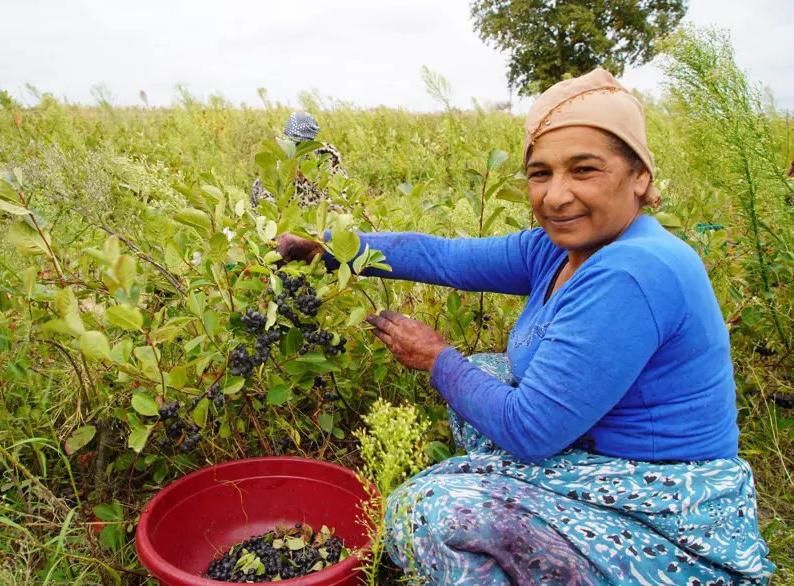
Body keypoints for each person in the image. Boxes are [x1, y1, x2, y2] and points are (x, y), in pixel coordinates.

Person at [276, 69, 775, 585]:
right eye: (541, 173)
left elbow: (530, 431)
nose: (556, 196)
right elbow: (443, 257)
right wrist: (327, 248)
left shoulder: (632, 270)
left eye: (584, 170)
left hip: (664, 508)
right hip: (600, 459)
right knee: (489, 371)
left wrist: (435, 358)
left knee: (425, 509)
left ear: (640, 176)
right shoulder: (562, 247)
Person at [250, 112, 348, 210]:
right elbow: (264, 211)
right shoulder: (276, 174)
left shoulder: (332, 172)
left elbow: (344, 209)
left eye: (300, 147)